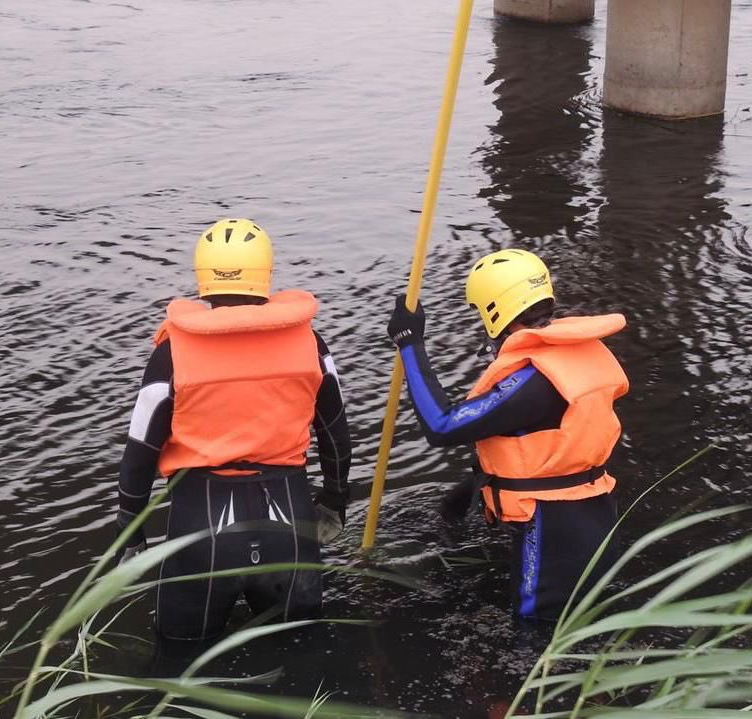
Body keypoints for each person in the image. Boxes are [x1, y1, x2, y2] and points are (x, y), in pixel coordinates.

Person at [116, 218, 351, 643]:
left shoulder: (172, 355)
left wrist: (129, 533)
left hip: (200, 525)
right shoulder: (311, 345)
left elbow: (139, 452)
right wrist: (334, 499)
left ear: (201, 278)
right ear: (266, 275)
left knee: (178, 663)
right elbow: (335, 432)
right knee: (302, 658)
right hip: (287, 520)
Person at [387, 248, 629, 620]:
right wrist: (469, 491)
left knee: (532, 636)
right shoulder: (576, 353)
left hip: (552, 526)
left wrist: (410, 344)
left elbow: (442, 425)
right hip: (593, 514)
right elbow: (539, 442)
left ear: (494, 312)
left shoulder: (534, 379)